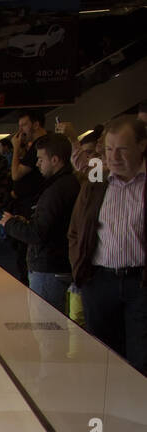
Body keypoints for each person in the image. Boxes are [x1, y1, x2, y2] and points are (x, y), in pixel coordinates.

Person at [68, 116, 147, 371]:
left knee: (140, 360)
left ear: (142, 145)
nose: (114, 157)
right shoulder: (95, 183)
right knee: (103, 360)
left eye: (122, 149)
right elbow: (75, 232)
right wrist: (80, 270)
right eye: (109, 149)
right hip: (99, 282)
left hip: (141, 284)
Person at [2, 134, 80, 314]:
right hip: (58, 267)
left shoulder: (56, 190)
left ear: (54, 160)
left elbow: (38, 233)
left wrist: (10, 224)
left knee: (47, 333)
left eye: (40, 159)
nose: (37, 164)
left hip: (49, 270)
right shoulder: (67, 184)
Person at [8, 110, 48, 283]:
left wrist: (16, 148)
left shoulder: (40, 144)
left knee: (26, 248)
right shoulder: (35, 145)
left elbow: (16, 174)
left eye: (24, 125)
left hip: (33, 204)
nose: (21, 130)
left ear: (36, 124)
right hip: (29, 202)